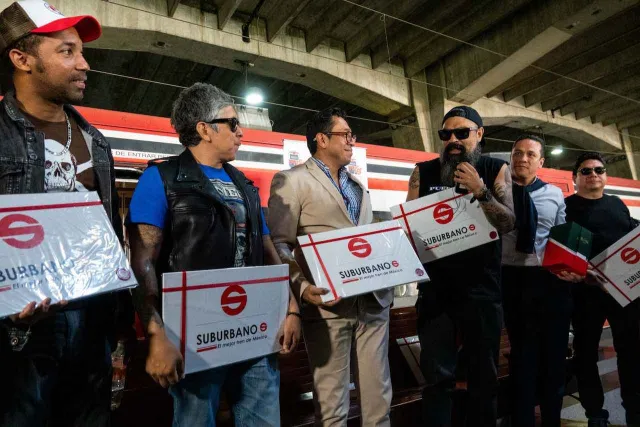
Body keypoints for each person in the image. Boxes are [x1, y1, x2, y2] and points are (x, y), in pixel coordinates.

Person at [127, 82, 301, 427]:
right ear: (204, 129)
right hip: (195, 333)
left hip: (256, 326)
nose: (241, 132)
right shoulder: (161, 179)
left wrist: (292, 307)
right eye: (232, 123)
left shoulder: (245, 185)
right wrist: (157, 334)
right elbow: (141, 261)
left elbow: (268, 253)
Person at [0, 1, 132, 426]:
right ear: (22, 59)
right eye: (67, 51)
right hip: (20, 335)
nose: (85, 64)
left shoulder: (95, 140)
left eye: (81, 52)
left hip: (93, 319)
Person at [268, 107, 393, 426]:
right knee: (332, 405)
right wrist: (301, 288)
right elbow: (279, 244)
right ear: (321, 139)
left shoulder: (358, 187)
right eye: (346, 134)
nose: (353, 141)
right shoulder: (291, 180)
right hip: (327, 306)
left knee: (379, 400)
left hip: (373, 302)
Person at [406, 106, 515, 427]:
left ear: (479, 134)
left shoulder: (496, 168)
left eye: (462, 133)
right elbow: (406, 227)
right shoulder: (422, 172)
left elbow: (508, 222)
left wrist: (480, 190)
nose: (453, 140)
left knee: (484, 377)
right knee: (437, 380)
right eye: (446, 134)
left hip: (482, 291)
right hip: (435, 292)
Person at [501, 134, 575, 427]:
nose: (522, 158)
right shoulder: (496, 191)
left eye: (530, 154)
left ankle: (552, 419)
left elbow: (560, 238)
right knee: (522, 357)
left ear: (540, 162)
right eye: (517, 152)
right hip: (510, 279)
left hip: (547, 281)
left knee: (554, 357)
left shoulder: (554, 195)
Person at [565, 152, 640, 427]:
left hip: (624, 293)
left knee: (631, 351)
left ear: (605, 175)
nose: (593, 174)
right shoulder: (567, 208)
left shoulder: (617, 204)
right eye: (586, 171)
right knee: (585, 355)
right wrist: (586, 276)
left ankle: (634, 408)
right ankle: (595, 414)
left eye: (598, 170)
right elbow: (565, 252)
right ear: (575, 178)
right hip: (586, 295)